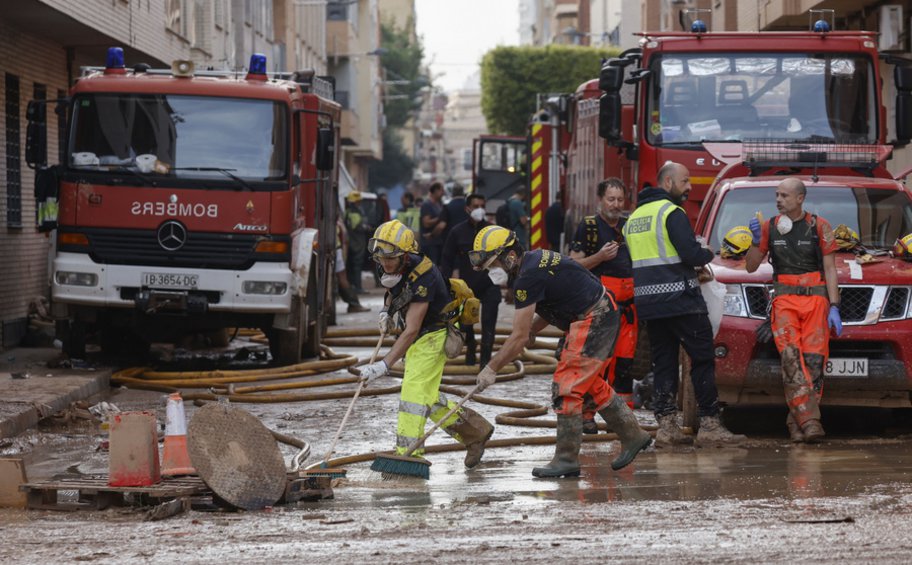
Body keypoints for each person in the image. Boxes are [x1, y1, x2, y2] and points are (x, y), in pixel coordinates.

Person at [469, 226, 651, 478]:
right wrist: (534, 328)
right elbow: (554, 297)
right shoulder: (533, 261)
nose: (492, 271)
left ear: (509, 256)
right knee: (588, 384)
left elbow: (518, 337)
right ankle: (633, 435)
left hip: (594, 317)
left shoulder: (526, 277)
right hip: (598, 311)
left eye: (493, 264)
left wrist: (491, 368)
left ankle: (566, 459)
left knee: (567, 387)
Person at [623, 162, 745, 447]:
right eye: (685, 181)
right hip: (681, 300)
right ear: (667, 183)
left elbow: (636, 261)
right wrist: (706, 251)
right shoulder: (671, 213)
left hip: (650, 305)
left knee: (663, 363)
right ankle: (710, 425)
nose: (690, 187)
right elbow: (691, 255)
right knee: (701, 359)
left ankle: (667, 428)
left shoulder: (634, 219)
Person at [358, 220, 495, 468]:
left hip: (433, 335)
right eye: (381, 259)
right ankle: (476, 432)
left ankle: (408, 455)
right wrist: (386, 312)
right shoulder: (388, 264)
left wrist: (384, 365)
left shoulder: (425, 277)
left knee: (412, 394)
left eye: (391, 259)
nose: (385, 264)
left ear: (405, 255)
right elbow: (393, 291)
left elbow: (411, 330)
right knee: (427, 397)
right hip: (419, 336)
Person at [745, 178, 841, 443]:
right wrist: (755, 243)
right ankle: (810, 421)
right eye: (777, 195)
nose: (779, 200)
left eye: (785, 196)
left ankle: (795, 422)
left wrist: (835, 306)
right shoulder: (769, 227)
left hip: (816, 303)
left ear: (800, 199)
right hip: (785, 302)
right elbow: (751, 267)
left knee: (813, 363)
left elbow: (831, 269)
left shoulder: (819, 226)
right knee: (790, 360)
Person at [569, 178, 637, 434]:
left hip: (629, 308)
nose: (616, 204)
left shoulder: (629, 226)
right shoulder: (588, 227)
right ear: (601, 200)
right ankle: (587, 415)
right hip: (600, 306)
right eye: (611, 199)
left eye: (620, 200)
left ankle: (621, 417)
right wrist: (600, 257)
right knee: (597, 361)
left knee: (624, 363)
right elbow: (573, 266)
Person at [440, 193, 500, 367]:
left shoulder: (492, 231)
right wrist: (446, 285)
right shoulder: (457, 232)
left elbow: (508, 259)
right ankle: (471, 347)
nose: (479, 209)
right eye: (475, 206)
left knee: (489, 325)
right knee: (466, 326)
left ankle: (486, 364)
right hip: (467, 289)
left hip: (490, 285)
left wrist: (511, 285)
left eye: (482, 205)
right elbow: (447, 258)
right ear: (467, 209)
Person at [335, 218, 369, 313]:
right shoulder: (338, 220)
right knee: (342, 278)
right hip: (336, 249)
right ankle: (354, 304)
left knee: (341, 278)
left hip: (335, 248)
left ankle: (353, 304)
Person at [344, 191, 372, 294]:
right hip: (356, 243)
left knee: (352, 265)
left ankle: (353, 286)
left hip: (352, 242)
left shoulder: (348, 211)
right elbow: (357, 227)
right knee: (357, 265)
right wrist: (367, 227)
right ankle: (357, 287)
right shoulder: (354, 213)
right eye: (358, 201)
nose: (359, 203)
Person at [420, 182, 447, 264]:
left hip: (439, 242)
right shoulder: (427, 205)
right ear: (435, 191)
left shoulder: (439, 204)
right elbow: (426, 223)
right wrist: (440, 218)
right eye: (441, 190)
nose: (443, 193)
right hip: (430, 244)